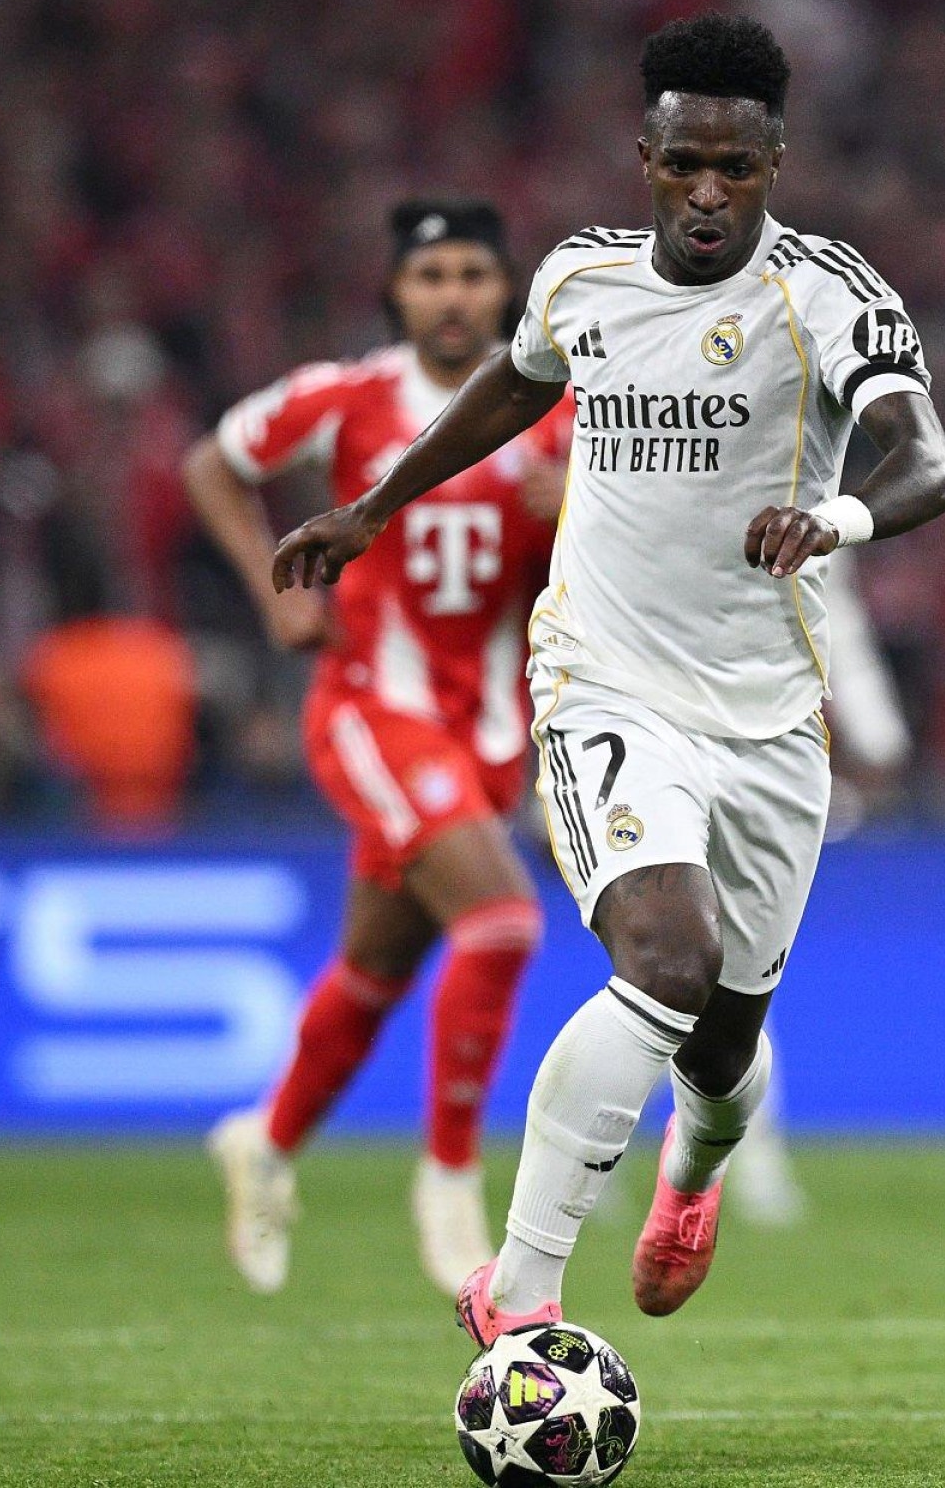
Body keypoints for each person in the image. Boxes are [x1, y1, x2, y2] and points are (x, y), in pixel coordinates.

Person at [268, 14, 945, 1344]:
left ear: (775, 164)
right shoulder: (580, 279)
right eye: (687, 163)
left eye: (739, 171)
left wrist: (841, 519)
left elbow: (927, 464)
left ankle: (689, 1184)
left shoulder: (831, 296)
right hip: (605, 684)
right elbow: (512, 393)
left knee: (719, 1052)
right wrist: (372, 505)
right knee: (666, 956)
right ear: (643, 154)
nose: (711, 193)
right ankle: (517, 1294)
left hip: (769, 716)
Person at [184, 198, 568, 1297]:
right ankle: (449, 1184)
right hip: (369, 709)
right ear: (397, 292)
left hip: (491, 734)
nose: (452, 295)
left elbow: (638, 536)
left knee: (377, 967)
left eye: (472, 275)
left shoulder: (563, 417)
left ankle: (265, 1140)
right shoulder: (341, 398)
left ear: (508, 293)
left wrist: (582, 497)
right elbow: (211, 462)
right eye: (430, 275)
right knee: (499, 923)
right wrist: (273, 597)